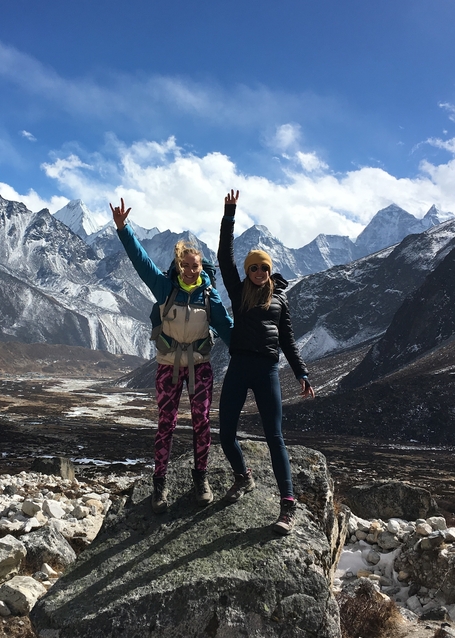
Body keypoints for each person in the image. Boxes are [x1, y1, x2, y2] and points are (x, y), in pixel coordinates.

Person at [111, 197, 233, 513]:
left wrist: (252, 351)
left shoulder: (210, 296)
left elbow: (228, 328)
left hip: (200, 367)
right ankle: (159, 485)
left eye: (195, 266)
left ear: (201, 267)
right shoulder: (165, 288)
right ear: (179, 265)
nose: (191, 271)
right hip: (168, 367)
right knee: (165, 424)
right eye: (186, 266)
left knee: (202, 422)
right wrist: (124, 230)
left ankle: (201, 479)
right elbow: (142, 263)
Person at [217, 189, 315, 535]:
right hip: (239, 366)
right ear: (247, 271)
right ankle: (243, 477)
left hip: (268, 370)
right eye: (254, 267)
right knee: (226, 434)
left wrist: (301, 371)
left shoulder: (280, 299)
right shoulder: (237, 289)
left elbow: (288, 338)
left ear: (271, 272)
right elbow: (223, 255)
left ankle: (287, 505)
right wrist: (229, 215)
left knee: (275, 436)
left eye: (265, 268)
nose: (260, 271)